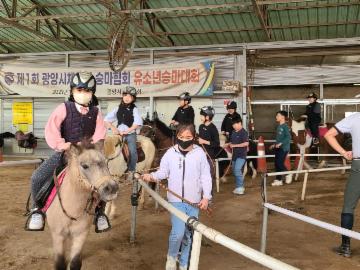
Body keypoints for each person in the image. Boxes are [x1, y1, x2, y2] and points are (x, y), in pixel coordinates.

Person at [25, 71, 110, 232]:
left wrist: (92, 149)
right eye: (79, 90)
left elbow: (99, 136)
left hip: (88, 156)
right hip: (65, 154)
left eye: (87, 91)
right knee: (37, 177)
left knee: (105, 179)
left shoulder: (96, 113)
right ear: (72, 91)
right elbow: (52, 131)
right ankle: (37, 210)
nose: (83, 94)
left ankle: (99, 213)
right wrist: (64, 146)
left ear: (92, 93)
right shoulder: (63, 108)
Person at [143, 124, 212, 270]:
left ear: (194, 137)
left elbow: (206, 176)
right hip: (176, 201)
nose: (184, 140)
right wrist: (151, 176)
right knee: (178, 233)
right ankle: (172, 257)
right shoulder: (170, 153)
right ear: (177, 137)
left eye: (188, 137)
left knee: (189, 234)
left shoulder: (200, 154)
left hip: (194, 202)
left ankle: (184, 262)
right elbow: (163, 172)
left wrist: (206, 197)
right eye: (181, 137)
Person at [325, 112, 360, 257]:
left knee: (348, 207)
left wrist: (344, 153)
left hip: (358, 166)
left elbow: (328, 135)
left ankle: (345, 247)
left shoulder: (355, 118)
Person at [104, 86, 143, 181]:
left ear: (133, 98)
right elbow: (106, 119)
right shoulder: (118, 108)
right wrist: (113, 128)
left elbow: (137, 123)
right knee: (107, 149)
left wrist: (128, 131)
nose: (127, 97)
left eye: (130, 96)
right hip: (118, 134)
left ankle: (131, 170)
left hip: (130, 134)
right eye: (125, 95)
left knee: (133, 152)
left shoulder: (134, 109)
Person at [225, 116, 249, 195]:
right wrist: (227, 144)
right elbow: (232, 142)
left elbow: (246, 143)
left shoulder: (244, 132)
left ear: (240, 123)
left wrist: (234, 146)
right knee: (235, 171)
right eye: (233, 125)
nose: (234, 126)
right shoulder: (234, 132)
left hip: (241, 155)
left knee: (237, 169)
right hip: (234, 155)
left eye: (235, 124)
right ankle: (238, 187)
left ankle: (240, 187)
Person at [270, 111, 292, 186]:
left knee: (279, 163)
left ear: (283, 117)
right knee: (276, 164)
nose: (276, 117)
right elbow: (279, 139)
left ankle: (288, 174)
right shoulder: (279, 126)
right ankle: (278, 180)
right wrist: (275, 144)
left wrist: (281, 143)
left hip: (284, 148)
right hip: (278, 148)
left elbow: (288, 137)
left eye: (278, 115)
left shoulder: (285, 126)